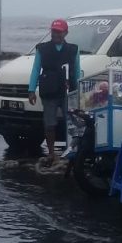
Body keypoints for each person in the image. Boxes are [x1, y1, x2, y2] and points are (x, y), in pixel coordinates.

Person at [28, 19, 80, 164]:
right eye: (53, 31)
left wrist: (77, 92)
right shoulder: (42, 49)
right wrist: (31, 90)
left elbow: (76, 71)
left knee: (72, 123)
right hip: (49, 91)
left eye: (59, 31)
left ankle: (72, 151)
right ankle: (51, 153)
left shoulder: (73, 49)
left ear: (65, 33)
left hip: (67, 92)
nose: (55, 34)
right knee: (49, 123)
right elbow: (35, 69)